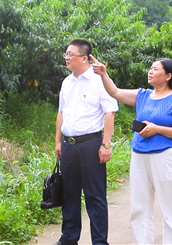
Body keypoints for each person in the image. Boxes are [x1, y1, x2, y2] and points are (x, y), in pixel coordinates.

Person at [90, 55, 172, 245]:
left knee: (169, 206)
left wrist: (157, 129)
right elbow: (116, 92)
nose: (150, 72)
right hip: (139, 155)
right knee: (139, 206)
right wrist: (104, 74)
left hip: (165, 156)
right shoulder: (143, 95)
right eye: (150, 68)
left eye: (155, 69)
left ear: (168, 76)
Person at [53, 39, 119, 245]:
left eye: (70, 54)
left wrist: (105, 145)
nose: (66, 58)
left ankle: (100, 242)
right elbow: (60, 113)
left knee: (95, 197)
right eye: (65, 54)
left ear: (84, 58)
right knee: (69, 194)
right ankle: (69, 237)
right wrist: (58, 142)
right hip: (69, 146)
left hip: (91, 144)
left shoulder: (100, 80)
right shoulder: (67, 82)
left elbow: (110, 113)